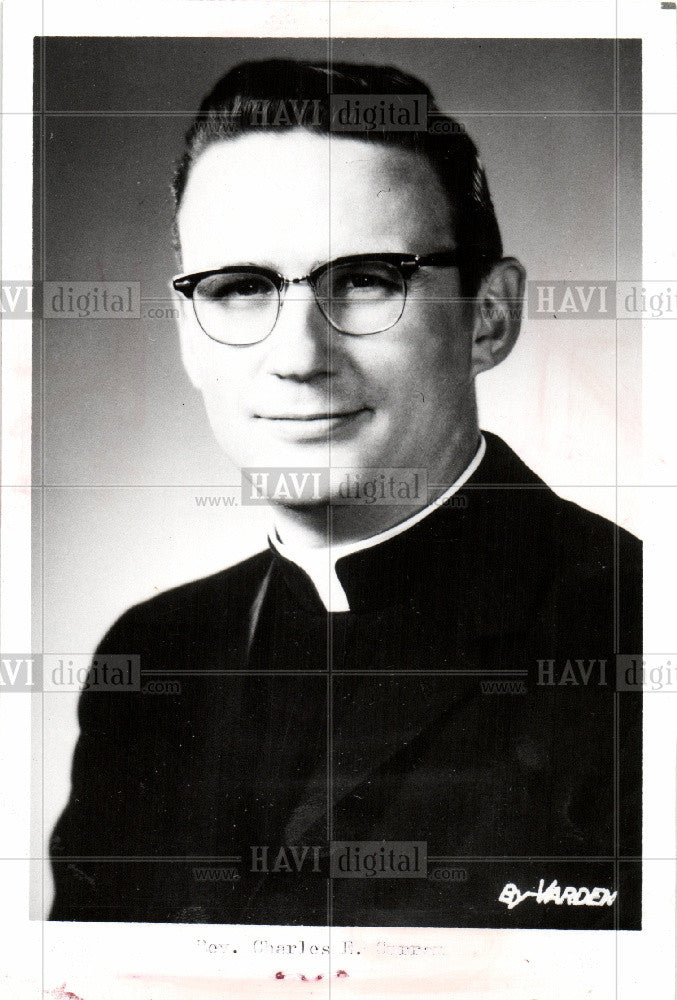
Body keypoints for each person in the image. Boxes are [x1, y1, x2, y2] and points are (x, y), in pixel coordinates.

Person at [50, 59, 641, 929]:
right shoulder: (149, 659)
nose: (297, 354)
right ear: (189, 337)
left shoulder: (633, 633)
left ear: (489, 317)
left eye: (366, 279)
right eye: (240, 289)